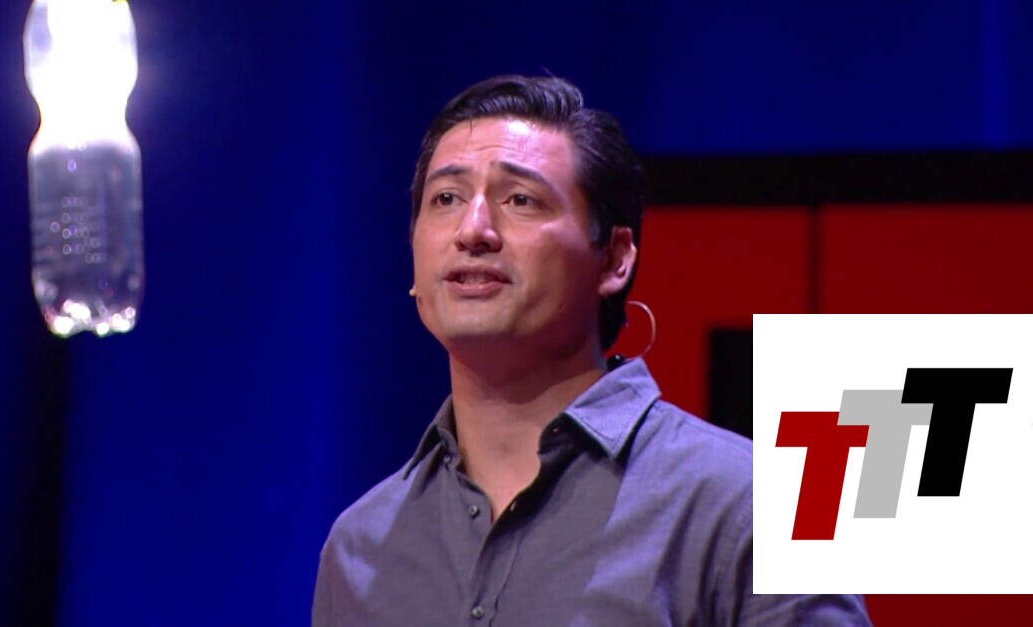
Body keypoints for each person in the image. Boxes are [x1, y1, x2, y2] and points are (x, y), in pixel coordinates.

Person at [312, 75, 871, 625]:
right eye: (446, 199)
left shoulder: (751, 505)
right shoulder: (362, 548)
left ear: (614, 260)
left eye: (521, 199)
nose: (473, 229)